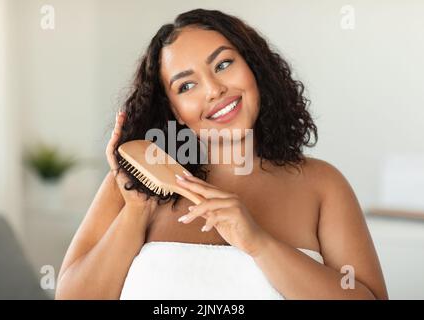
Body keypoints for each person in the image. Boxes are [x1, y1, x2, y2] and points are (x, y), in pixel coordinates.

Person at [55, 8, 388, 300]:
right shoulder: (129, 187)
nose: (214, 90)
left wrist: (259, 242)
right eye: (187, 86)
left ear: (255, 67)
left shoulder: (321, 185)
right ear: (174, 110)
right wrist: (136, 211)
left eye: (224, 64)